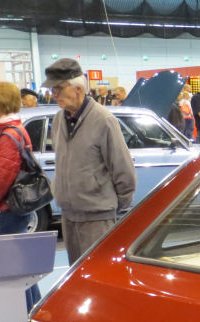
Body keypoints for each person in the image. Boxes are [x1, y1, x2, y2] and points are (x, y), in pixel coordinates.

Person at [44, 58, 136, 264]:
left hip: (97, 216)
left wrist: (111, 206)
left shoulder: (103, 120)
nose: (54, 94)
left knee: (98, 271)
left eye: (58, 88)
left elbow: (123, 169)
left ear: (78, 89)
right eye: (52, 89)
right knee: (75, 275)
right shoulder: (59, 120)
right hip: (68, 214)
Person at [0, 81, 41, 311]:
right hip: (11, 210)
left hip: (6, 211)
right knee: (22, 270)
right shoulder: (10, 131)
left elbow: (1, 179)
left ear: (1, 102)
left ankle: (20, 318)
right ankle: (31, 314)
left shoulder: (7, 134)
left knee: (14, 273)